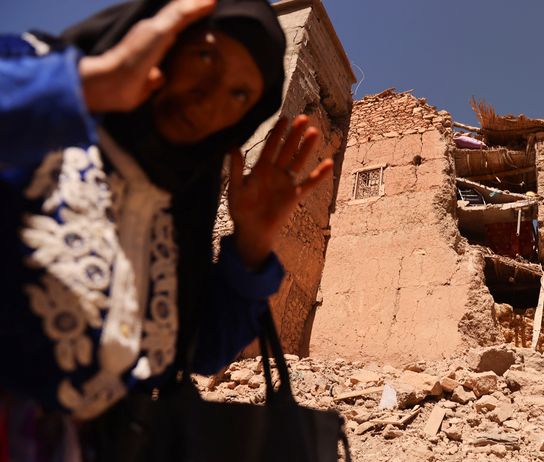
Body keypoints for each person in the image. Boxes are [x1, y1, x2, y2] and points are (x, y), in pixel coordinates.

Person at [0, 0, 333, 459]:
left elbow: (200, 352)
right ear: (163, 40)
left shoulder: (177, 206)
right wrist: (93, 85)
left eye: (240, 95)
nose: (211, 97)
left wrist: (253, 244)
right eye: (206, 57)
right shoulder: (30, 79)